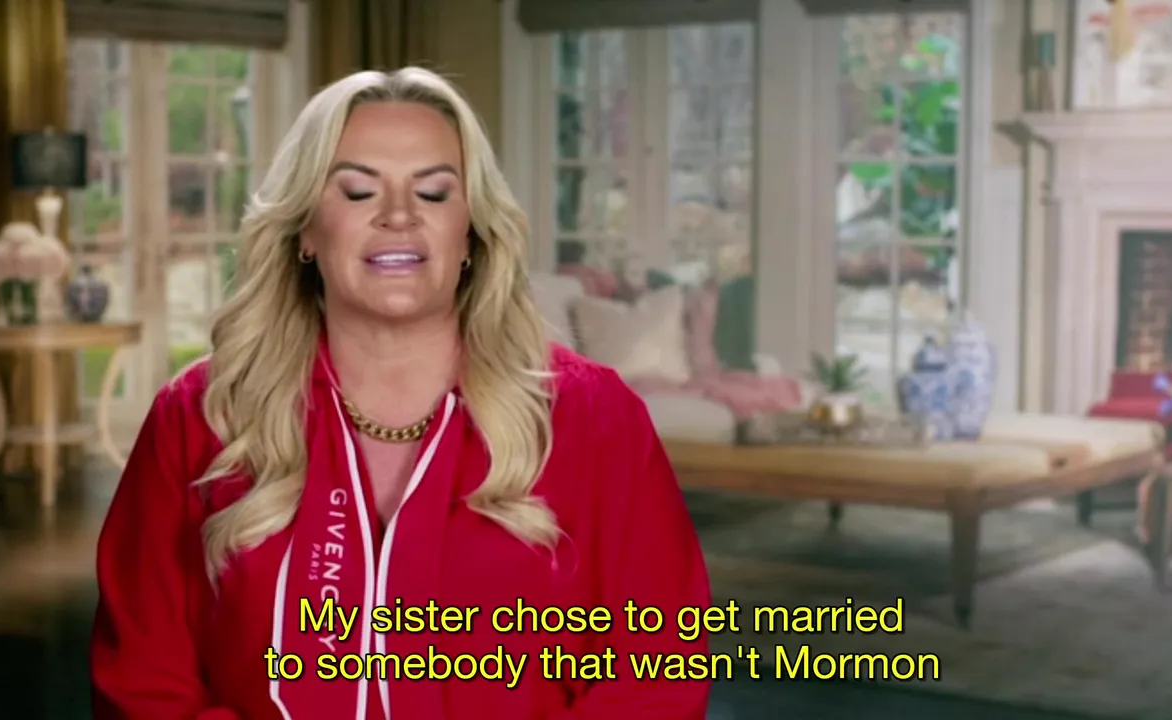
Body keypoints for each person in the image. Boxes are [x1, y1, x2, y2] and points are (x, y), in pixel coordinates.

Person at [90, 68, 712, 720]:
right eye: (358, 191)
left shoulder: (597, 418)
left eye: (434, 193)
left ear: (470, 233)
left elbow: (658, 673)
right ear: (305, 232)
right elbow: (143, 684)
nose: (398, 215)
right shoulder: (197, 417)